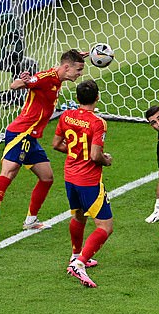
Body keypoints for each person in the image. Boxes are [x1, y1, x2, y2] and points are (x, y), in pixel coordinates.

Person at [0, 49, 86, 244]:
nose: (80, 74)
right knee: (9, 172)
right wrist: (25, 81)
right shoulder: (45, 78)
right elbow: (16, 85)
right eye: (78, 70)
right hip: (21, 132)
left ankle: (30, 220)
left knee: (47, 178)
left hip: (32, 137)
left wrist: (77, 56)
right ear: (66, 67)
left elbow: (60, 67)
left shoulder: (58, 76)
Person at [52, 79, 113, 288]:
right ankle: (79, 263)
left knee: (79, 215)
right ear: (97, 97)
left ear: (77, 98)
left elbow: (56, 144)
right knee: (105, 227)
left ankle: (75, 255)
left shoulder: (66, 116)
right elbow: (96, 156)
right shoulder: (98, 122)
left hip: (70, 176)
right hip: (89, 181)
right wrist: (107, 160)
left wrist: (75, 153)